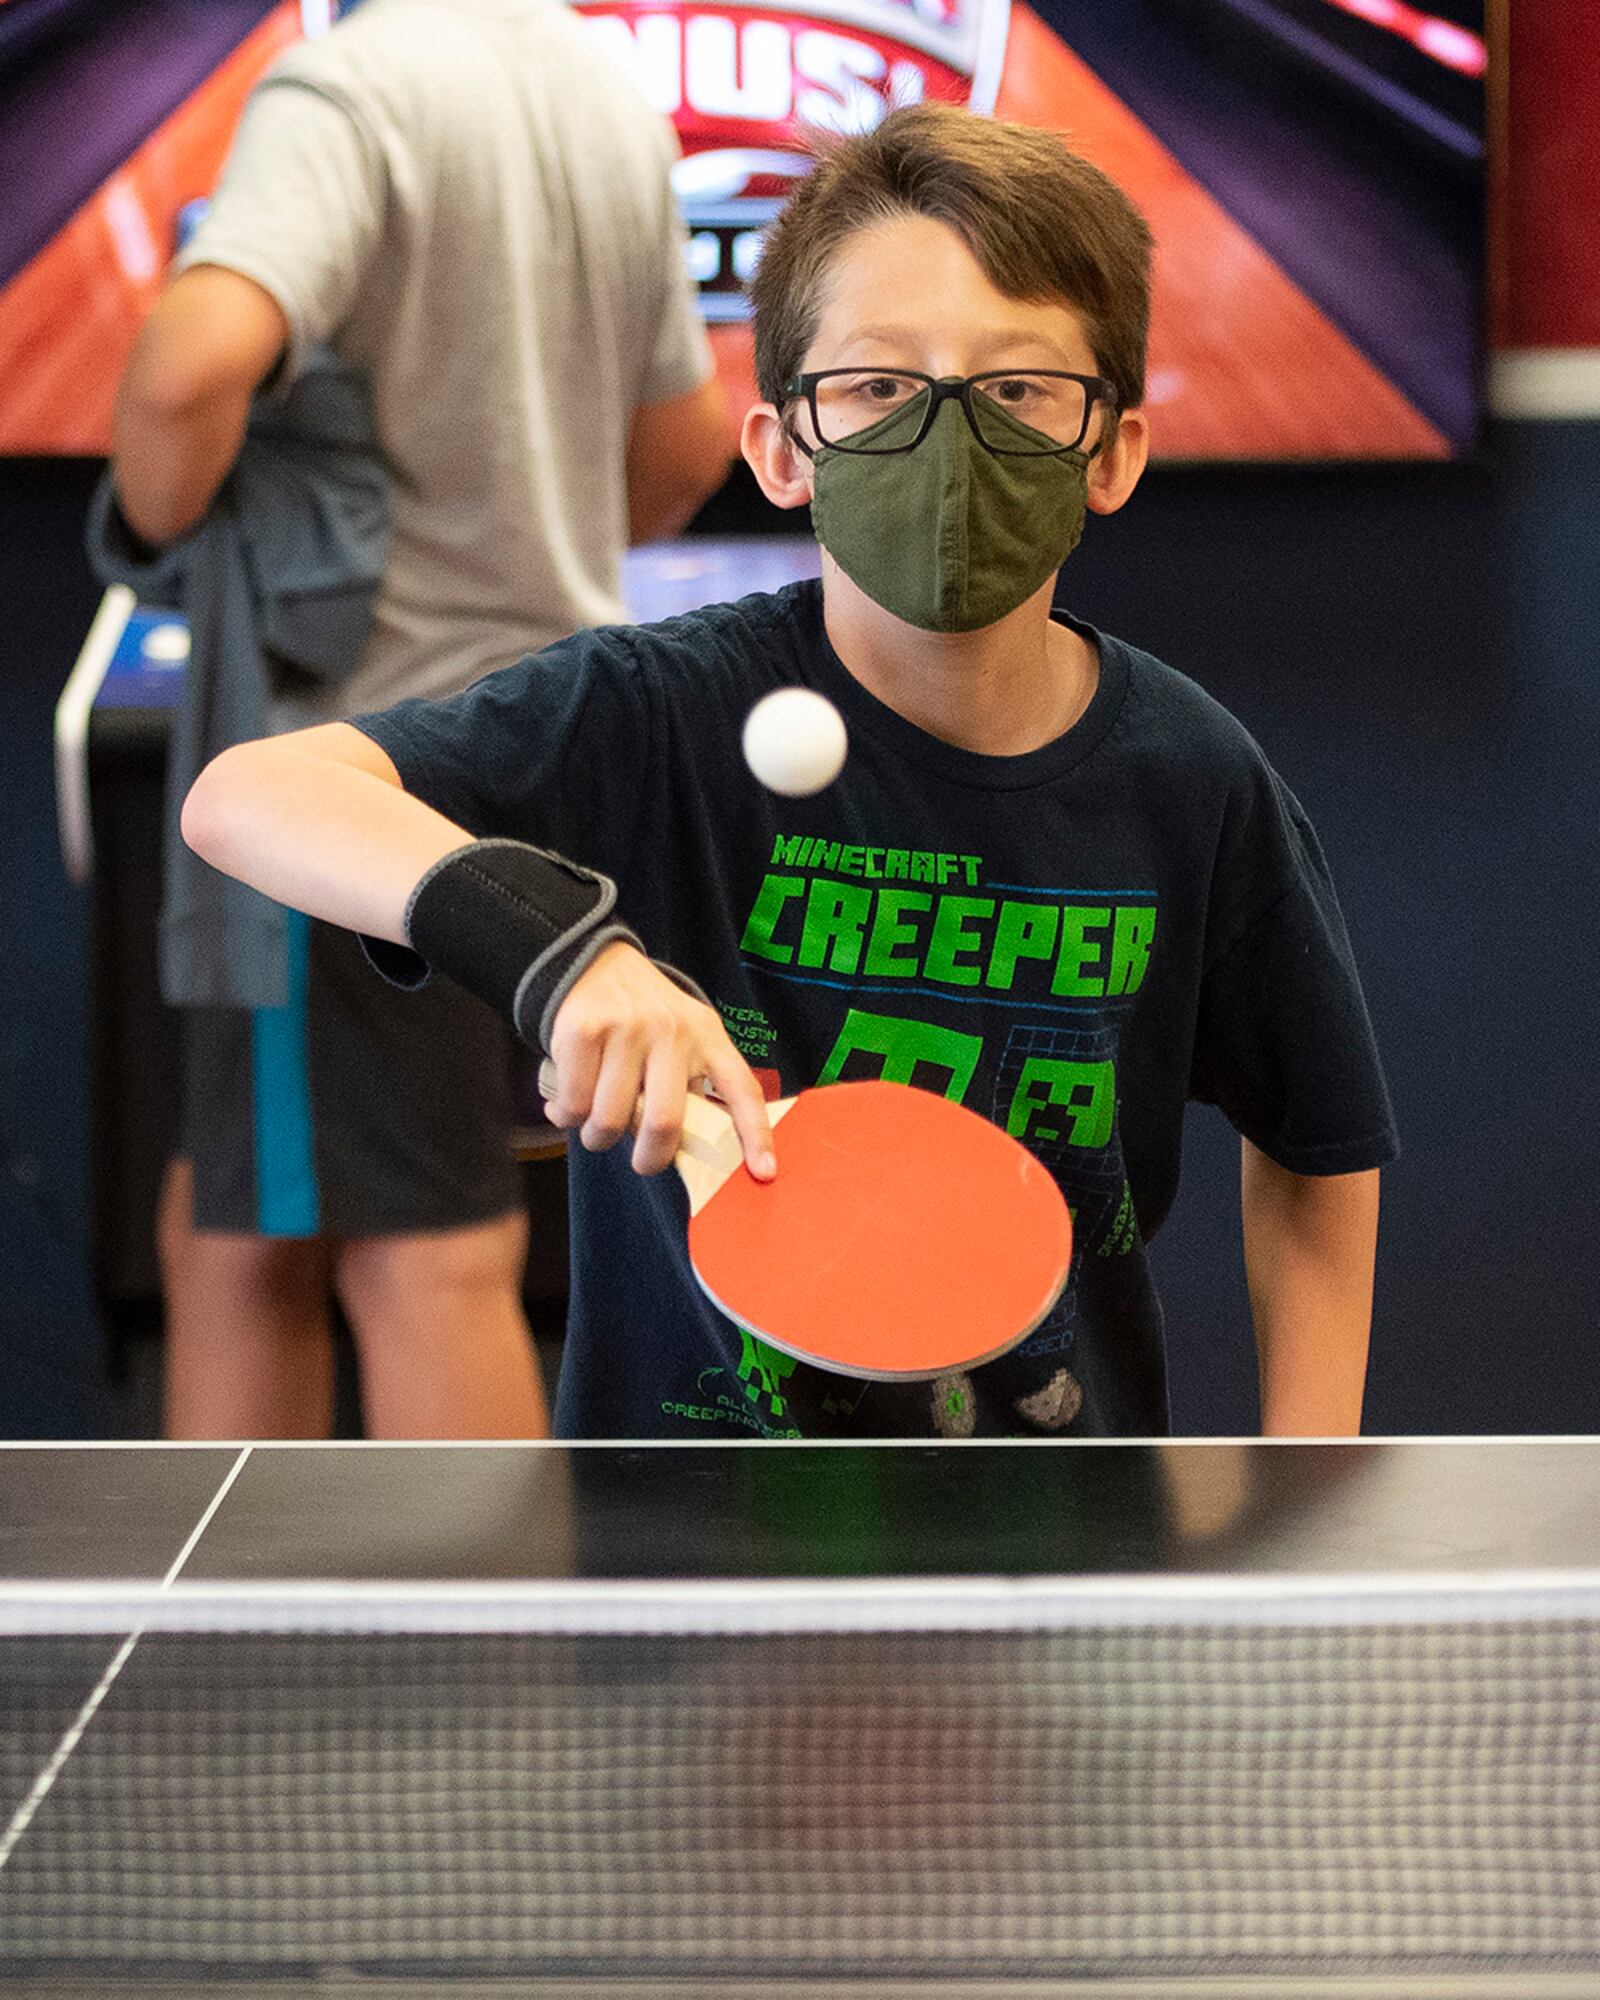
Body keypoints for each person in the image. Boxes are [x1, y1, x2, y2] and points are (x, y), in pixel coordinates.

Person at [182, 103, 1397, 1441]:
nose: (947, 441)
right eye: (877, 387)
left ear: (1111, 451)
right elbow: (248, 796)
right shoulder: (656, 714)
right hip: (681, 1572)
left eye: (1020, 389)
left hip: (1052, 1548)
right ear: (778, 448)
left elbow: (1320, 1138)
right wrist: (564, 953)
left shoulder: (1192, 778)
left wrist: (1307, 1473)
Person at [107, 0, 732, 1440]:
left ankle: (446, 1664)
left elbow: (190, 367)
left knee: (422, 1256)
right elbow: (686, 441)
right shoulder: (601, 92)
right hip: (536, 742)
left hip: (346, 775)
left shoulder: (342, 91)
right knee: (241, 1227)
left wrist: (161, 523)